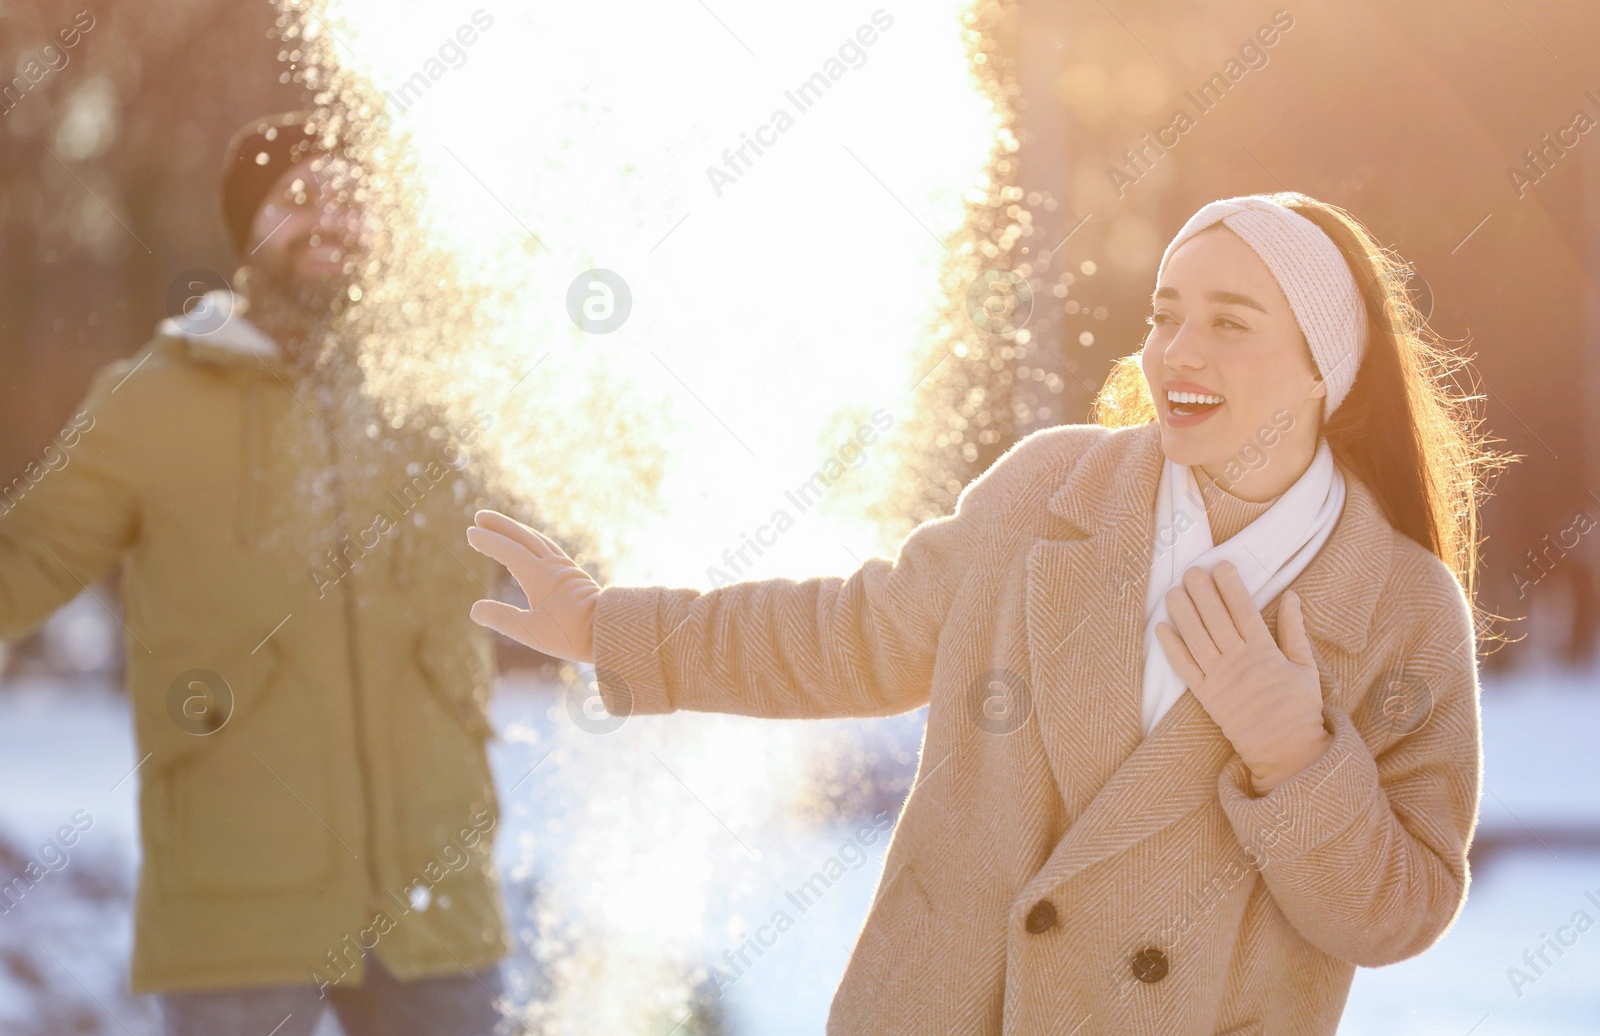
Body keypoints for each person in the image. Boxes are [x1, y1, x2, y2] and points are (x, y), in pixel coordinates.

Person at [466, 191, 1492, 1034]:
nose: (1176, 349)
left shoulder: (1402, 607)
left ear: (1326, 364)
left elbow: (1397, 910)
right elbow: (850, 633)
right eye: (1164, 313)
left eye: (1228, 322)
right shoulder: (1049, 488)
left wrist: (1294, 756)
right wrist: (613, 629)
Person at [0, 112, 518, 1036]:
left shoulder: (440, 397)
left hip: (434, 897)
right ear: (250, 226)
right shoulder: (150, 398)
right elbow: (27, 560)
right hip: (237, 900)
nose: (333, 218)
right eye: (300, 196)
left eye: (355, 198)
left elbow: (562, 530)